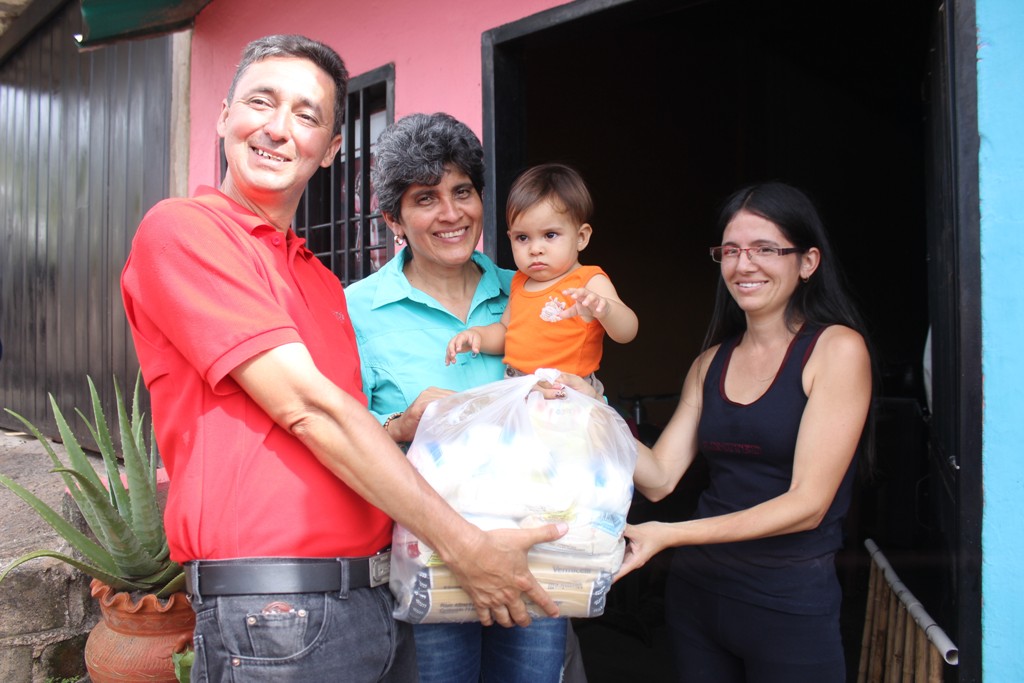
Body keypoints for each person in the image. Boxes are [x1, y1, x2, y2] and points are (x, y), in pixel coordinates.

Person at [120, 37, 568, 682]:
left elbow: (352, 426)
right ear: (223, 116)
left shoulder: (320, 281)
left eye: (307, 115)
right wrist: (464, 545)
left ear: (331, 148)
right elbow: (309, 409)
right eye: (261, 102)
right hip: (276, 606)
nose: (279, 128)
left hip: (374, 593)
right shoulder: (186, 228)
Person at [346, 114, 585, 683]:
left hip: (534, 553)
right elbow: (339, 442)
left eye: (462, 192)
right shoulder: (358, 309)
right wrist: (401, 426)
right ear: (393, 220)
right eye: (425, 198)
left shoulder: (533, 290)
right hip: (428, 560)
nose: (451, 214)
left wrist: (581, 395)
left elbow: (583, 395)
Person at [616, 181, 873, 682]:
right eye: (731, 250)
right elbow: (659, 477)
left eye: (765, 249)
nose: (743, 264)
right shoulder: (709, 363)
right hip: (698, 599)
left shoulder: (836, 351)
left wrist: (671, 535)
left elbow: (808, 504)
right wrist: (591, 406)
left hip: (787, 603)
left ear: (807, 262)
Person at [446, 163, 638, 394]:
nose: (535, 249)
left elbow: (627, 331)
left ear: (581, 237)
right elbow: (506, 333)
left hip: (569, 388)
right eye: (523, 238)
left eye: (550, 235)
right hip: (519, 386)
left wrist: (605, 310)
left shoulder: (588, 280)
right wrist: (477, 335)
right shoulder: (520, 281)